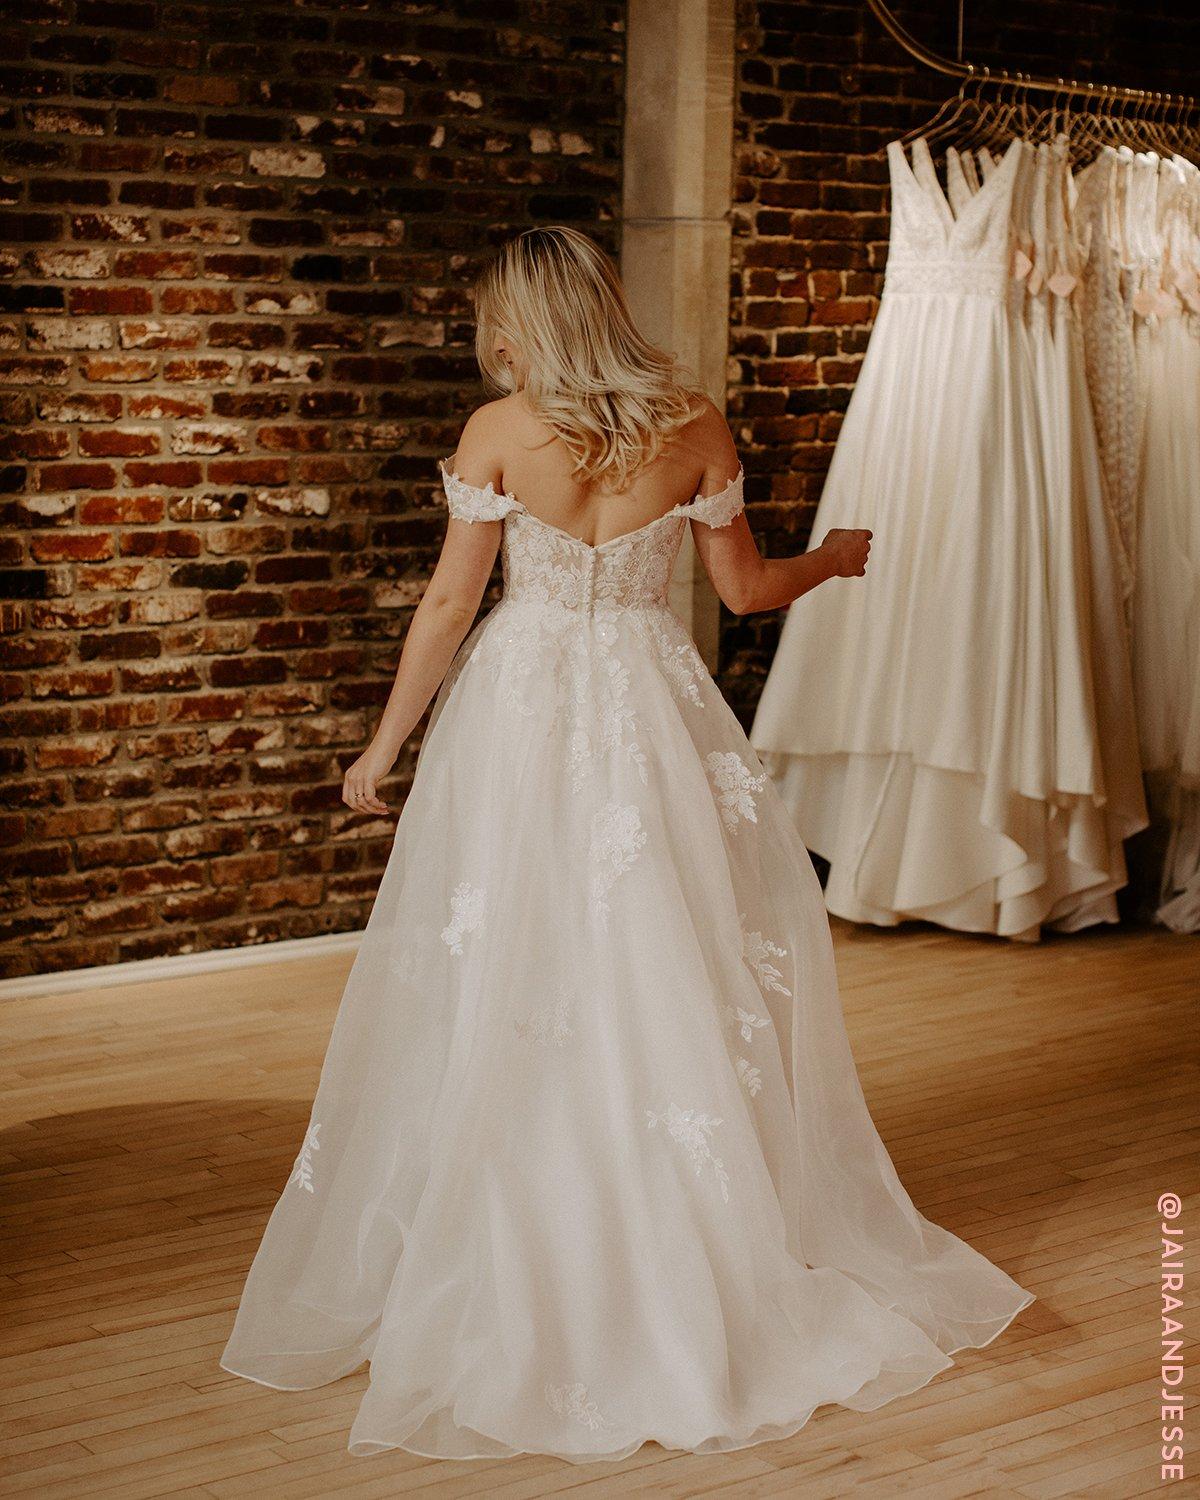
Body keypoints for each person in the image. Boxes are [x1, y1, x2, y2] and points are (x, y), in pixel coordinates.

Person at [219, 225, 1034, 1462]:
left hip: (519, 711)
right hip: (651, 708)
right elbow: (746, 593)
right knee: (662, 950)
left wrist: (385, 746)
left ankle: (523, 1196)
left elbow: (450, 604)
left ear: (518, 322)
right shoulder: (692, 425)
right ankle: (669, 1206)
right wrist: (833, 559)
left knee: (515, 952)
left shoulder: (499, 433)